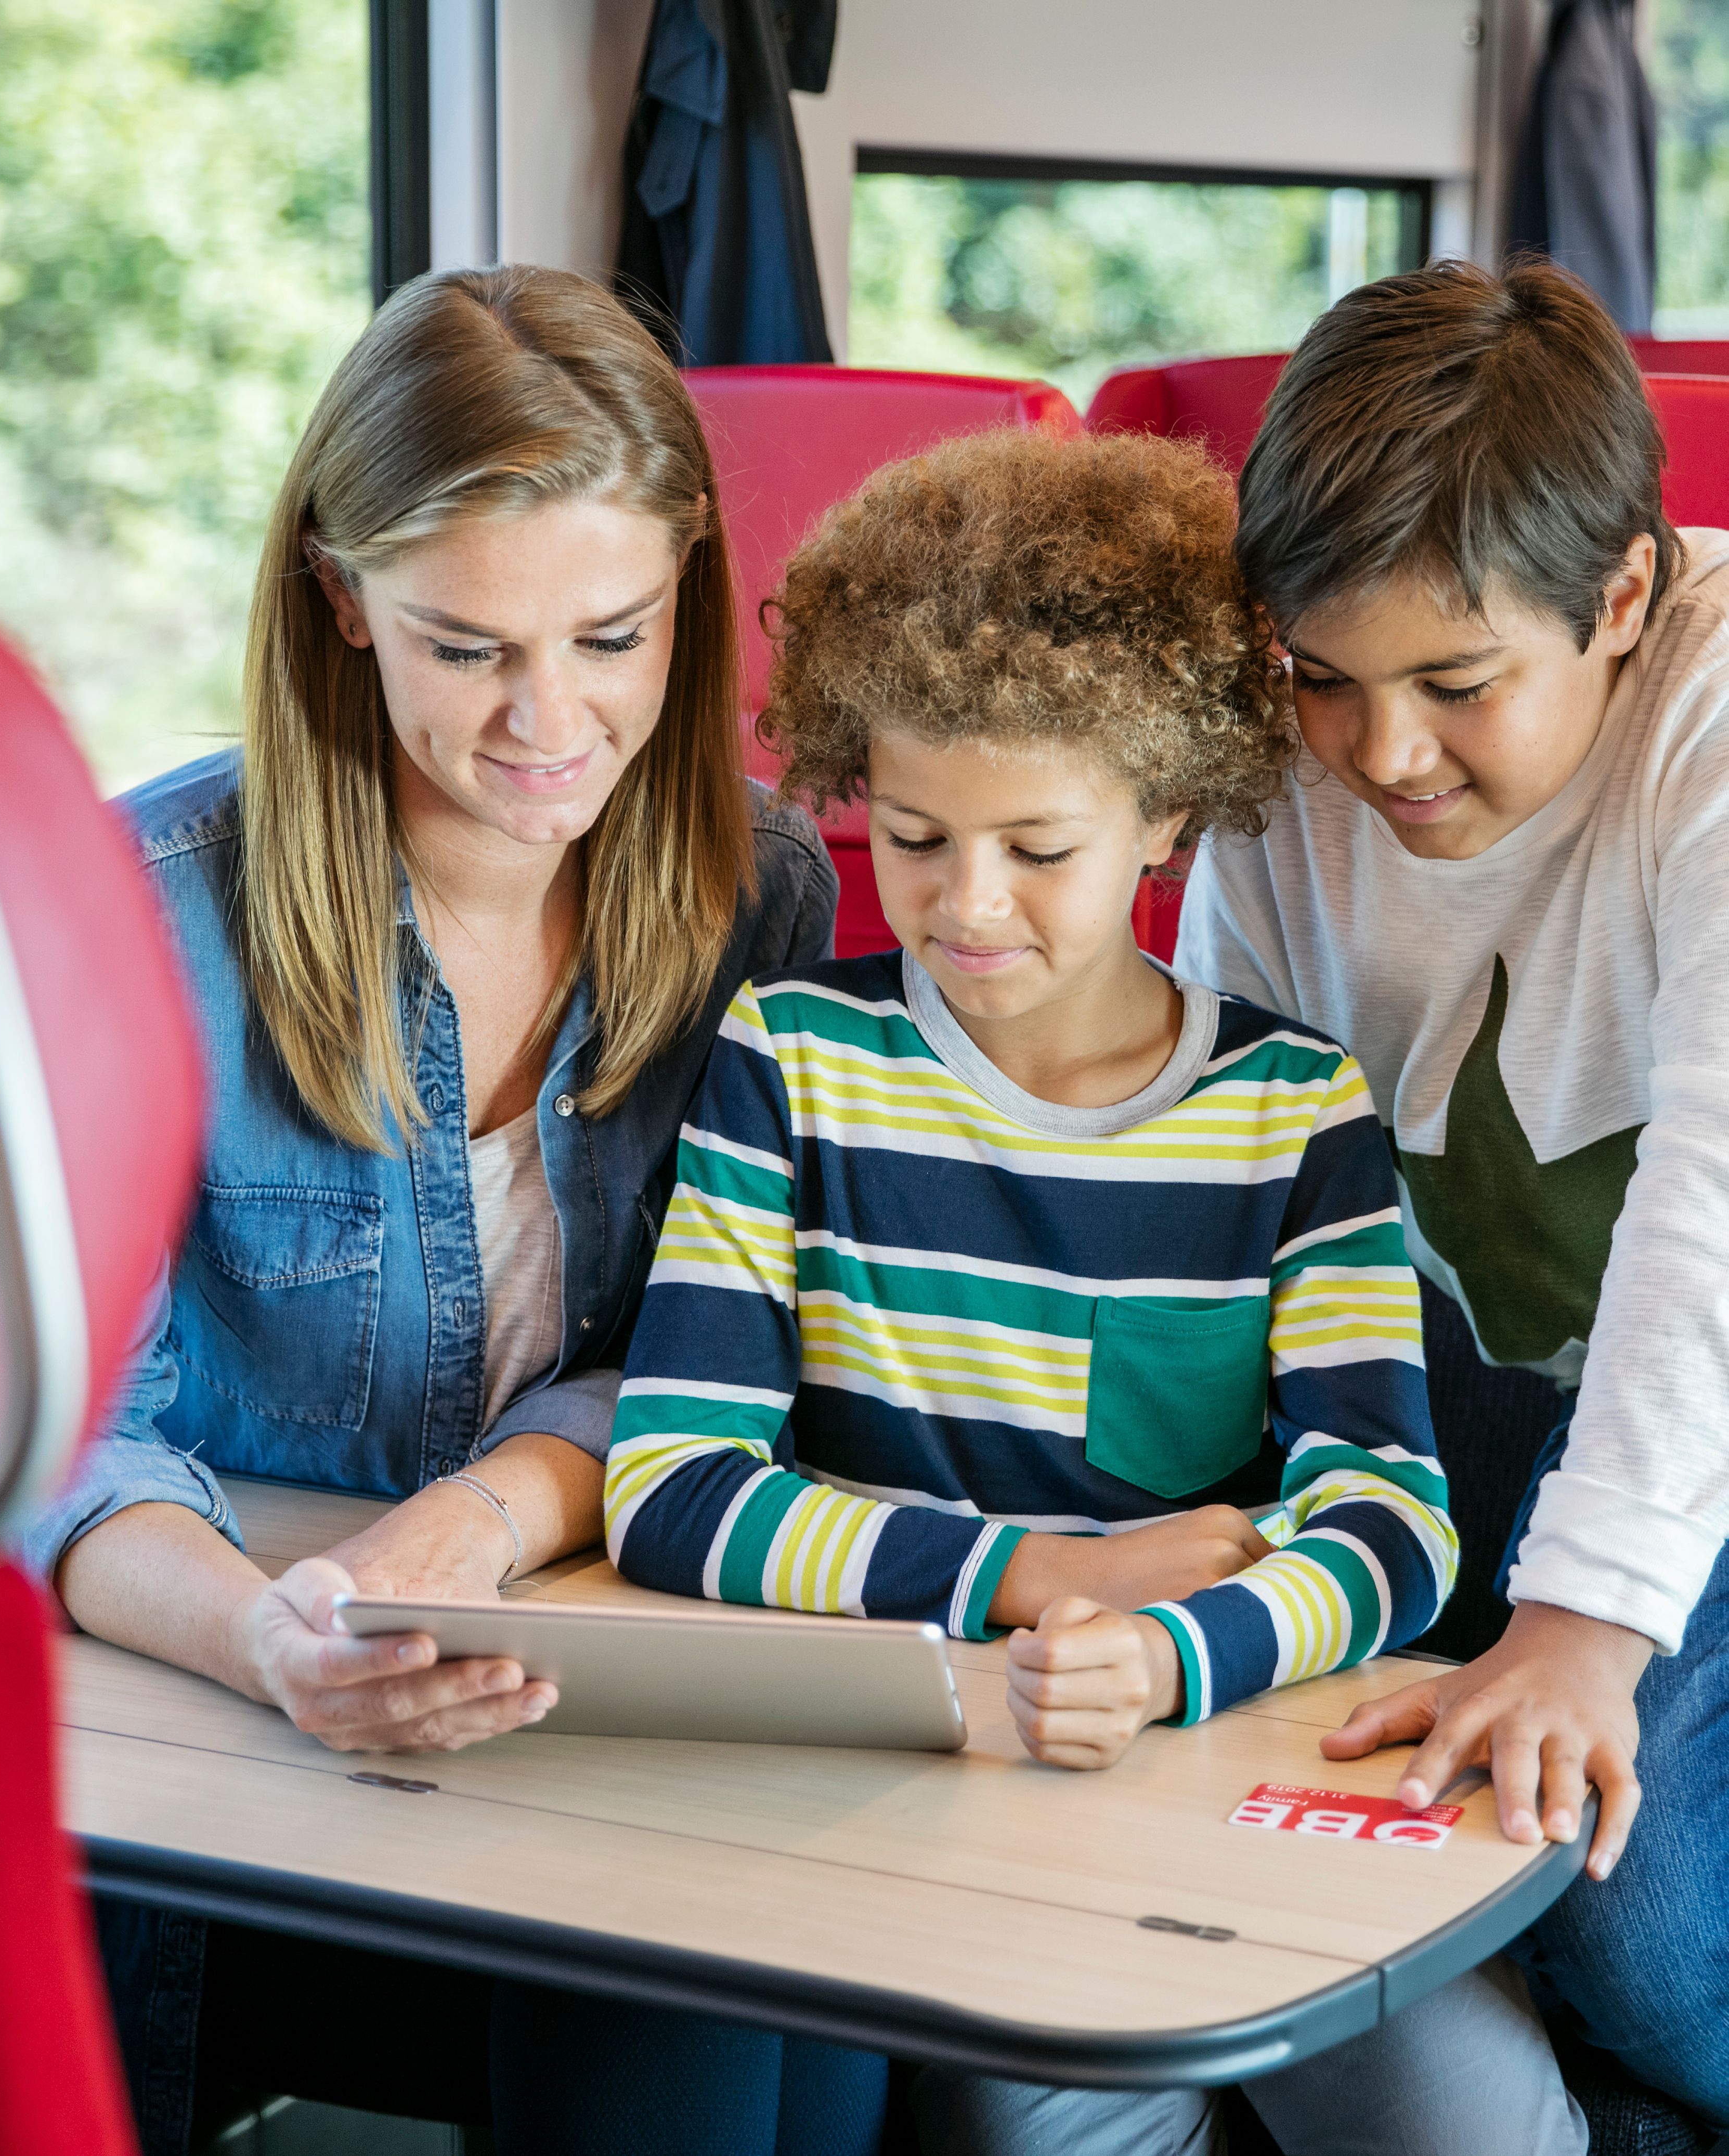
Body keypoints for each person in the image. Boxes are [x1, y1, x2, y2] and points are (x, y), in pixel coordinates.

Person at [604, 427, 1587, 2154]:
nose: (963, 909)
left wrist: (1168, 1652)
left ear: (1166, 814)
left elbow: (1384, 1520)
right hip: (953, 1785)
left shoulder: (1293, 1110)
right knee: (1037, 2128)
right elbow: (671, 1487)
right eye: (911, 836)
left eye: (1036, 851)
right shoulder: (791, 1059)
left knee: (1478, 2122)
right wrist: (1029, 1582)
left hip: (1228, 1751)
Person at [25, 265, 885, 2156]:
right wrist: (273, 1639)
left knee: (809, 2030)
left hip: (575, 1686)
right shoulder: (141, 900)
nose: (548, 724)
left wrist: (480, 1516)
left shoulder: (765, 893)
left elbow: (711, 1353)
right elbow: (67, 1433)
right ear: (343, 603)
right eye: (468, 646)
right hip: (225, 1750)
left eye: (611, 635)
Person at [1176, 257, 1729, 2130]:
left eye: (1457, 683)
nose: (1381, 757)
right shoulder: (1289, 747)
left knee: (1640, 1921)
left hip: (1690, 1401)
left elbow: (1710, 1195)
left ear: (1626, 596)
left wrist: (1580, 1620)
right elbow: (1229, 1131)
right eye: (1321, 679)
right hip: (1430, 1386)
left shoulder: (1714, 710)